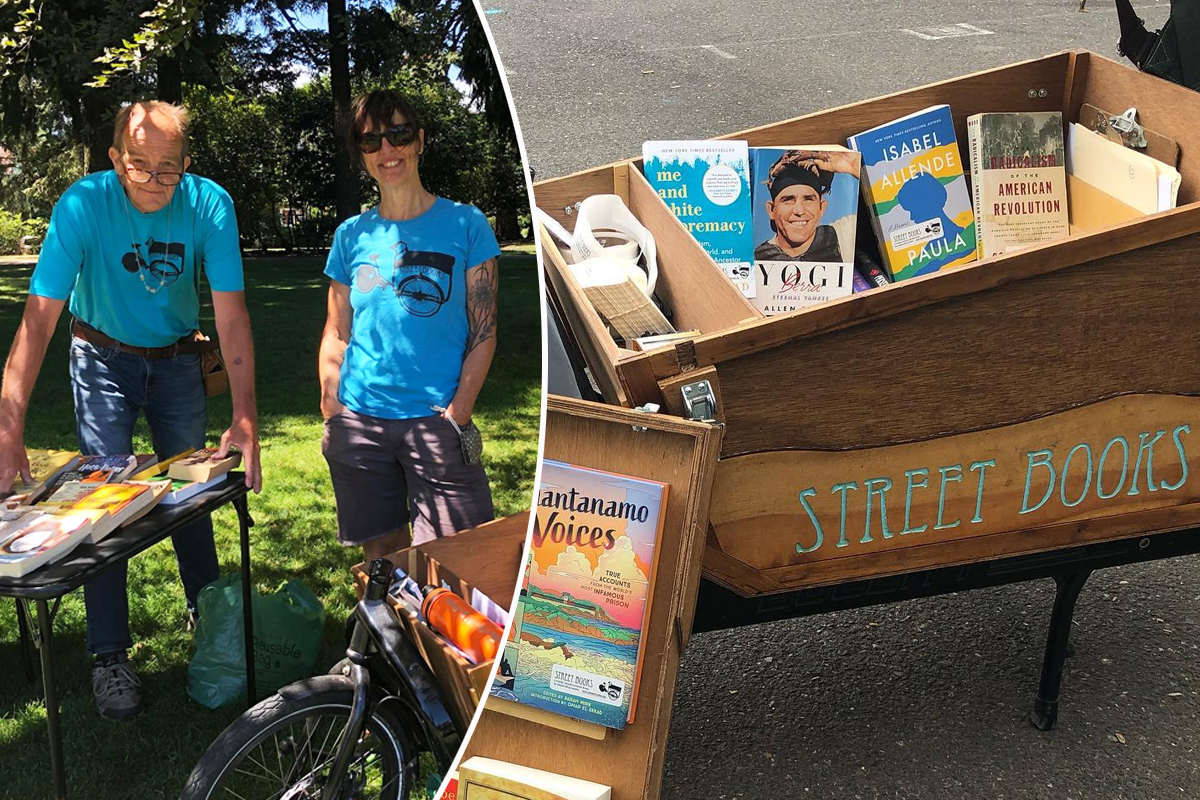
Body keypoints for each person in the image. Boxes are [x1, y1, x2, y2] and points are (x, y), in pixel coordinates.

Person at [0, 101, 262, 721]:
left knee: (189, 495)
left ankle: (210, 619)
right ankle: (109, 655)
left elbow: (231, 315)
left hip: (176, 361)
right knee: (103, 504)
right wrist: (9, 425)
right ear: (116, 158)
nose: (151, 181)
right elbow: (38, 321)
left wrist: (245, 416)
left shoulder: (208, 204)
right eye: (137, 165)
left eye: (167, 169)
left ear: (186, 165)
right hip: (101, 357)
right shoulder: (83, 205)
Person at [320, 89, 500, 560]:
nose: (387, 150)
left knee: (461, 556)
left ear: (420, 140)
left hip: (437, 419)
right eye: (371, 140)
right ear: (361, 155)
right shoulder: (350, 235)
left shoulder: (467, 225)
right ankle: (390, 633)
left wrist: (460, 412)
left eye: (398, 134)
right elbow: (336, 330)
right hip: (360, 418)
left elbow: (484, 331)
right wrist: (330, 402)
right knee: (382, 556)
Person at [755, 149, 860, 262]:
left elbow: (881, 215)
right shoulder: (757, 258)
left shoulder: (841, 237)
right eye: (788, 200)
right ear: (771, 210)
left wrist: (852, 165)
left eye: (808, 199)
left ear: (822, 208)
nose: (799, 211)